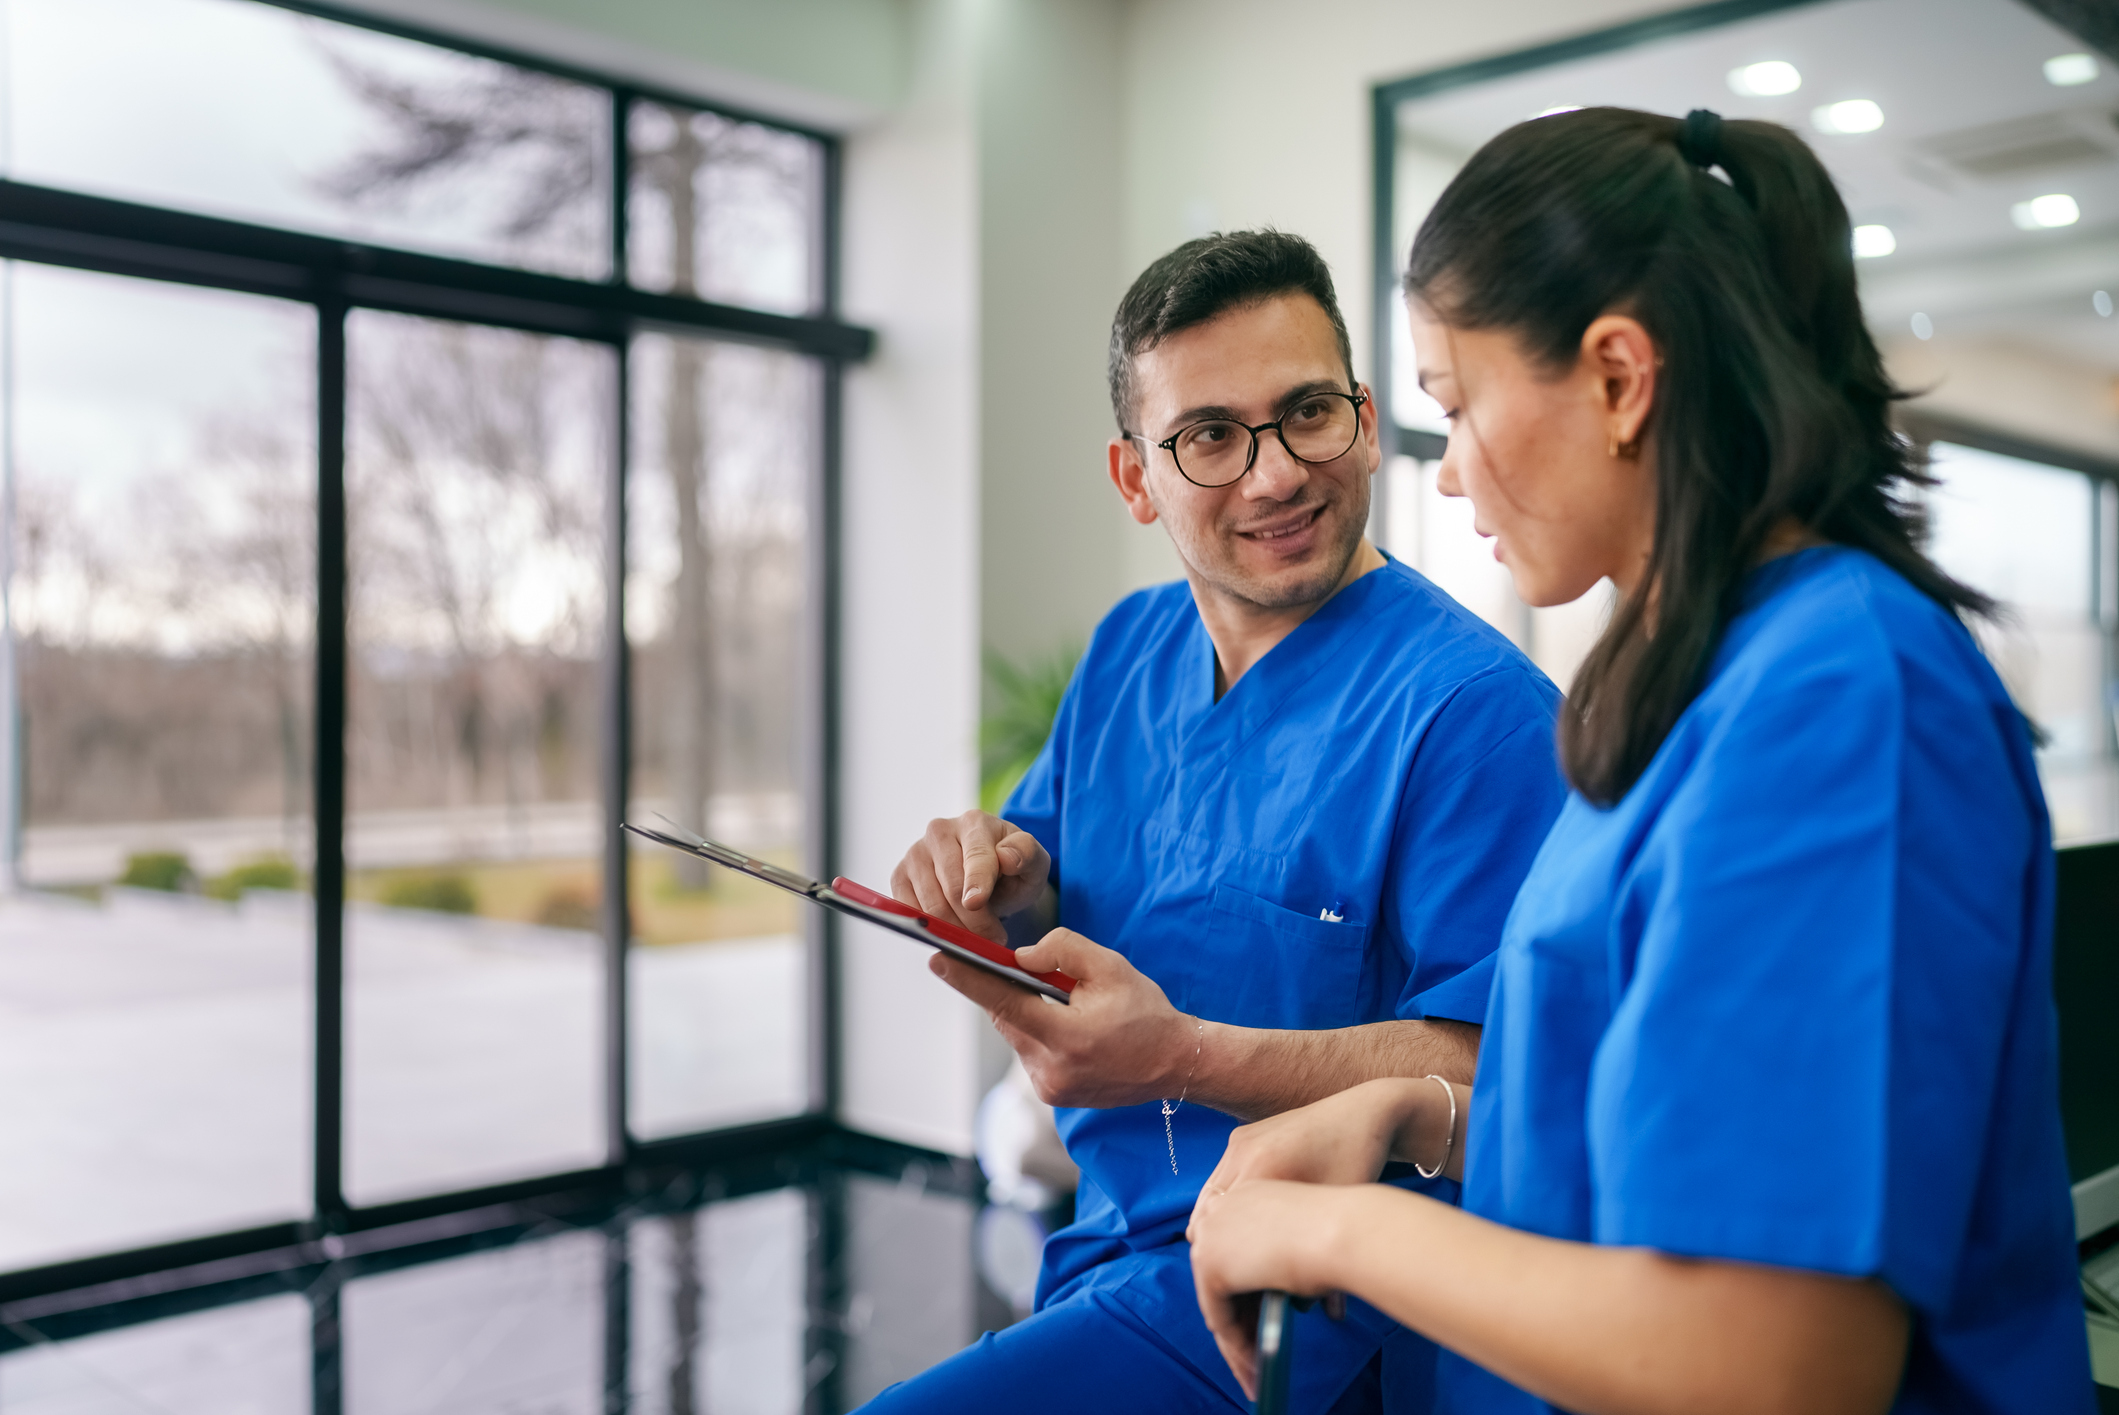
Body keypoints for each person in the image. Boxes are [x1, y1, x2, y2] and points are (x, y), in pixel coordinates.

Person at [1185, 108, 2096, 1415]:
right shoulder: (1691, 673)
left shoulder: (1839, 699)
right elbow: (1640, 1100)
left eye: (1455, 405)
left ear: (1616, 375)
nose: (1447, 480)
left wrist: (1331, 1233)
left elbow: (1767, 1357)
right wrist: (1421, 1116)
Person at [857, 231, 1568, 1411]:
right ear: (1136, 476)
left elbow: (1502, 1068)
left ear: (1367, 418)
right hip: (1102, 1247)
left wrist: (1183, 1055)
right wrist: (998, 874)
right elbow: (1054, 881)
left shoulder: (1474, 714)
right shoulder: (1127, 651)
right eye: (1209, 436)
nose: (1276, 471)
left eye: (1306, 412)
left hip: (1315, 1312)